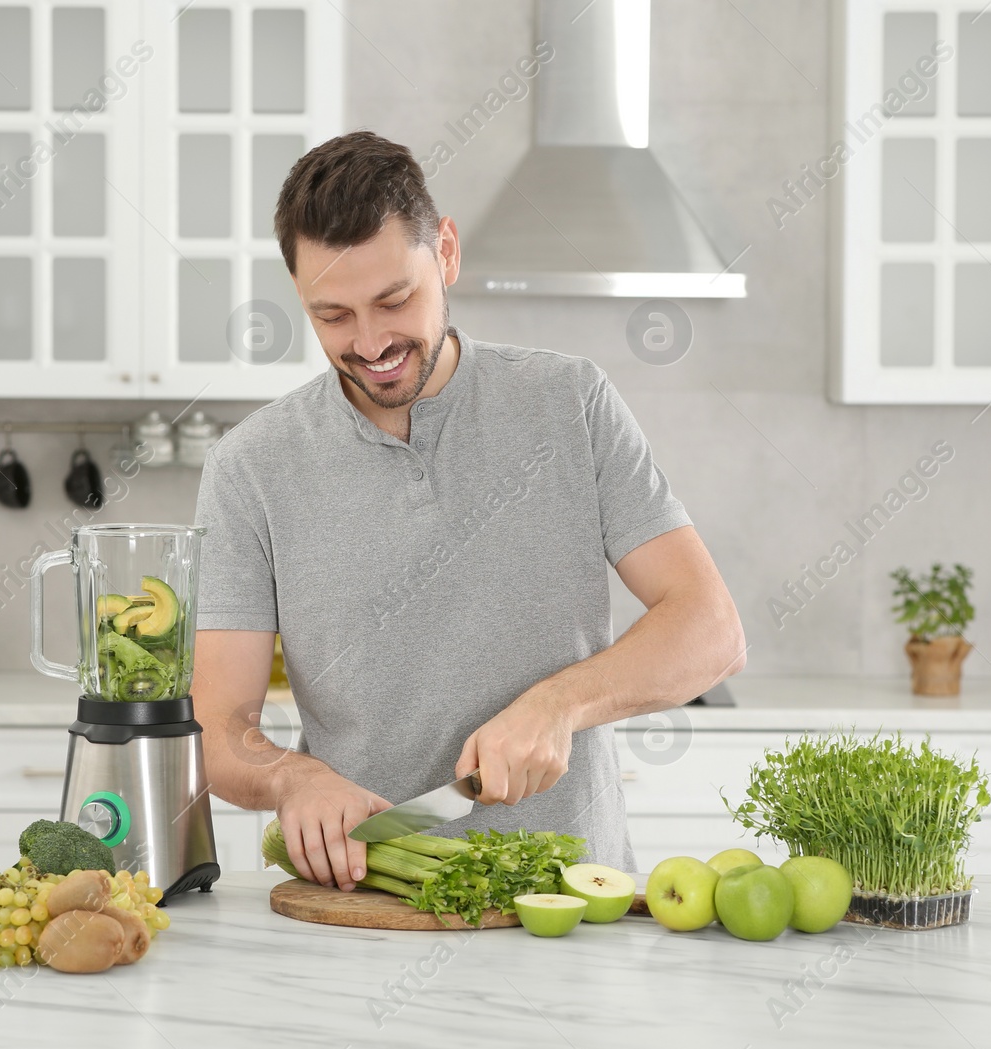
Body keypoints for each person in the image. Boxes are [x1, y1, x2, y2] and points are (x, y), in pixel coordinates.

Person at [192, 130, 745, 891]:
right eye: (333, 315)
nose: (372, 341)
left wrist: (560, 703)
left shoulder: (569, 404)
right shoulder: (248, 468)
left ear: (445, 251)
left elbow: (711, 627)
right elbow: (221, 729)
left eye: (395, 299)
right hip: (372, 908)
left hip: (575, 902)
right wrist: (293, 778)